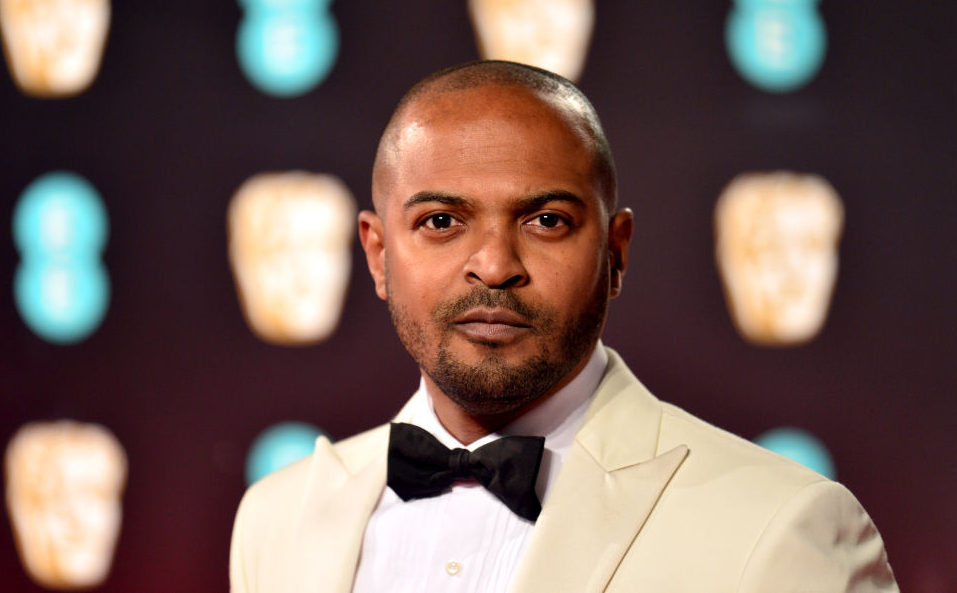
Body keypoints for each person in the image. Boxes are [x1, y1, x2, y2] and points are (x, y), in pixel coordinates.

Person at [229, 60, 898, 592]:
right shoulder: (274, 519)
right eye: (441, 221)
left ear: (616, 253)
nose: (494, 266)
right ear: (378, 255)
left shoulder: (782, 524)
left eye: (546, 221)